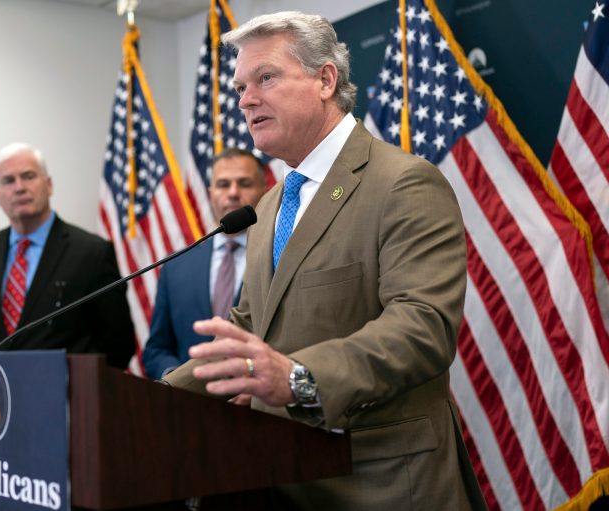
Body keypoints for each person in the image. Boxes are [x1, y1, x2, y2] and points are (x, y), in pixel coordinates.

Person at [163, 12, 487, 510]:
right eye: (241, 86)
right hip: (285, 477)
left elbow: (422, 328)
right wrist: (150, 402)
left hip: (383, 483)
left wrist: (295, 377)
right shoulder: (267, 206)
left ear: (325, 79)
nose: (246, 99)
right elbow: (251, 327)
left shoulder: (402, 182)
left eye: (265, 78)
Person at [0, 143, 135, 369]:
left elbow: (119, 344)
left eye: (28, 176)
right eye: (8, 181)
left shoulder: (92, 253)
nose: (19, 187)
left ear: (49, 185)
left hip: (68, 398)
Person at [142, 148, 268, 379]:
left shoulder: (278, 256)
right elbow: (156, 349)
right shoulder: (176, 265)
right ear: (210, 192)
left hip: (259, 402)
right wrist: (176, 376)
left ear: (265, 189)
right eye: (222, 184)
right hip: (188, 406)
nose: (232, 193)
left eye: (244, 183)